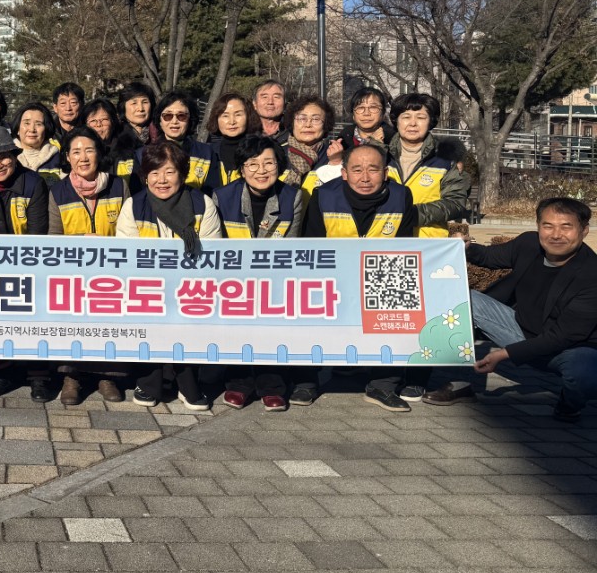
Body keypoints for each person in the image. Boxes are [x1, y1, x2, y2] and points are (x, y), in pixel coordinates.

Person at [426, 197, 597, 421]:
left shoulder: (591, 275)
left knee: (583, 372)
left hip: (569, 349)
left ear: (584, 230)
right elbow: (489, 257)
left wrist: (503, 354)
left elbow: (561, 337)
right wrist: (465, 247)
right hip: (521, 329)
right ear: (538, 227)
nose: (556, 235)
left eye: (566, 227)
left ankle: (570, 403)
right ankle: (459, 383)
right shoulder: (529, 244)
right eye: (548, 226)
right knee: (463, 301)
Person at [301, 143, 418, 410]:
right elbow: (311, 246)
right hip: (332, 278)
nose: (365, 178)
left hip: (383, 276)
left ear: (385, 173)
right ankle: (305, 382)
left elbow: (405, 247)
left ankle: (383, 385)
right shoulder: (323, 196)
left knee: (398, 306)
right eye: (356, 170)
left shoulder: (401, 195)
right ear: (344, 173)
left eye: (373, 170)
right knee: (308, 307)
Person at [115, 141, 220, 410]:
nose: (161, 180)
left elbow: (212, 254)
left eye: (170, 172)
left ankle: (187, 384)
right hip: (146, 288)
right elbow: (128, 256)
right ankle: (149, 382)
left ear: (182, 174)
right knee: (148, 318)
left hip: (190, 287)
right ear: (145, 176)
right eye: (154, 172)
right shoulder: (133, 206)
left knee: (189, 316)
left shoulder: (202, 204)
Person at [213, 135, 305, 411]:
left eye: (268, 163)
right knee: (236, 329)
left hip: (274, 277)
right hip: (234, 279)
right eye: (252, 164)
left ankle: (273, 386)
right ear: (242, 169)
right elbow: (218, 245)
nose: (261, 171)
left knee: (271, 329)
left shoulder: (293, 196)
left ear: (279, 166)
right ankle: (238, 384)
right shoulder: (223, 196)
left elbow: (292, 244)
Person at [49, 126, 130, 406]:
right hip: (72, 271)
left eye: (89, 150)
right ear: (67, 157)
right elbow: (52, 238)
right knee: (73, 323)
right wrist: (82, 241)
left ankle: (107, 377)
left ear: (99, 153)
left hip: (112, 271)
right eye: (76, 152)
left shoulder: (119, 186)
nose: (83, 157)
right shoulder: (58, 191)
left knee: (108, 323)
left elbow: (129, 231)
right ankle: (71, 377)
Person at [0, 126, 53, 401]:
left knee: (34, 319)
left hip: (29, 264)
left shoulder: (33, 183)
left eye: (3, 157)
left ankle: (39, 376)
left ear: (14, 155)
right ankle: (3, 372)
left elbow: (38, 233)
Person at [386, 93, 470, 238]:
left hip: (428, 242)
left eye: (420, 117)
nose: (413, 123)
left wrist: (415, 214)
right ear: (396, 120)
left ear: (431, 121)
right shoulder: (381, 156)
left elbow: (455, 202)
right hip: (384, 240)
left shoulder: (445, 159)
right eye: (406, 117)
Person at [150, 91, 219, 191]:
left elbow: (211, 192)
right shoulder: (144, 154)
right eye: (168, 116)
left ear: (190, 119)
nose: (174, 121)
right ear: (159, 120)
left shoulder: (206, 153)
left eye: (181, 116)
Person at [206, 92, 262, 188]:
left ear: (248, 116)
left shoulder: (260, 150)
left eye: (238, 114)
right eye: (225, 115)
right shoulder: (208, 153)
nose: (232, 122)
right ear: (216, 119)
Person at [282, 94, 341, 184]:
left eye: (316, 119)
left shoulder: (334, 156)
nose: (308, 124)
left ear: (325, 124)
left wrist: (336, 164)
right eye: (302, 118)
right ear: (292, 123)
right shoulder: (277, 154)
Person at [13, 102, 62, 184]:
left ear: (46, 129)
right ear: (18, 128)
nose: (32, 129)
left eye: (38, 124)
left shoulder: (58, 158)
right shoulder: (7, 157)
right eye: (27, 123)